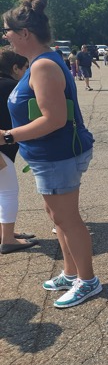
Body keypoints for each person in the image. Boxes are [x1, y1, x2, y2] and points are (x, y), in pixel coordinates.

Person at [2, 0, 100, 308]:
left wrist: (7, 135)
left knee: (68, 219)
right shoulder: (42, 61)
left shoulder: (43, 65)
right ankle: (71, 274)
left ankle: (88, 280)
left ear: (25, 33)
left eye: (8, 31)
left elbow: (54, 119)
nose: (5, 36)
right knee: (57, 216)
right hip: (51, 156)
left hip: (57, 155)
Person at [0, 49, 37, 254]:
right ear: (15, 68)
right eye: (25, 68)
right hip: (2, 148)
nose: (27, 72)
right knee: (8, 192)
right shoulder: (12, 87)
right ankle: (8, 239)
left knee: (2, 192)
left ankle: (5, 233)